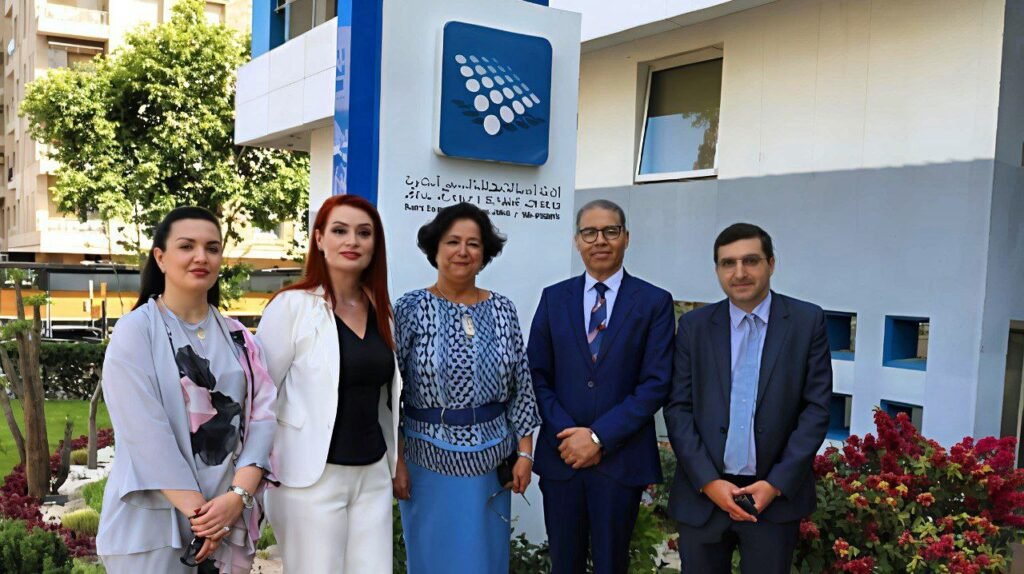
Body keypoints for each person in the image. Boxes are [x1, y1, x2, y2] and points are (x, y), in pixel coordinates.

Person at [97, 207, 277, 574]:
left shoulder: (240, 338)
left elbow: (263, 420)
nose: (201, 257)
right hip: (154, 527)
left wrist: (236, 499)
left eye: (212, 248)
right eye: (186, 246)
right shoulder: (135, 332)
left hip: (226, 520)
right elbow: (145, 434)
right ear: (160, 257)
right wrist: (204, 519)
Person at [664, 222, 832, 574]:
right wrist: (709, 482)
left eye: (750, 261)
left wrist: (775, 484)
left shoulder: (806, 322)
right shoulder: (694, 326)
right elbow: (678, 408)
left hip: (773, 499)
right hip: (704, 496)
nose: (739, 273)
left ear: (771, 264)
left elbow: (816, 409)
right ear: (717, 270)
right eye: (728, 263)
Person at [256, 195, 402, 573]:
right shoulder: (291, 306)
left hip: (372, 473)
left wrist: (396, 461)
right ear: (319, 238)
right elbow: (259, 396)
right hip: (309, 478)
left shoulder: (382, 310)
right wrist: (251, 473)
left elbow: (385, 398)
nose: (352, 241)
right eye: (340, 230)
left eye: (364, 233)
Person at [527, 199, 675, 574]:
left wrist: (597, 438)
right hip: (562, 457)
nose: (600, 240)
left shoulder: (654, 302)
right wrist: (569, 435)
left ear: (626, 237)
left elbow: (656, 383)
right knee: (564, 564)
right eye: (590, 232)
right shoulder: (553, 298)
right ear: (577, 240)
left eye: (610, 231)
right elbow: (536, 374)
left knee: (612, 564)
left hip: (621, 461)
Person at [394, 202, 541, 574]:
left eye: (473, 243)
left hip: (492, 463)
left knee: (483, 560)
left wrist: (525, 454)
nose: (463, 251)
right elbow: (392, 393)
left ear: (484, 253)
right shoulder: (410, 308)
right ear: (435, 248)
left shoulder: (503, 310)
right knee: (433, 558)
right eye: (452, 241)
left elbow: (521, 386)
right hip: (426, 460)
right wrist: (397, 461)